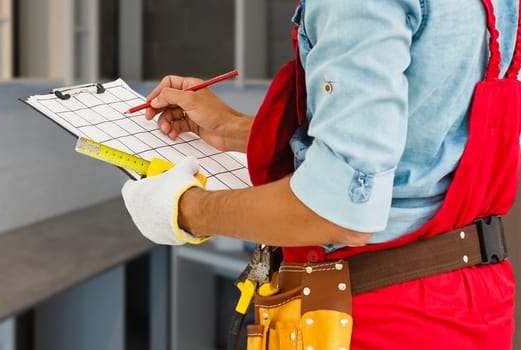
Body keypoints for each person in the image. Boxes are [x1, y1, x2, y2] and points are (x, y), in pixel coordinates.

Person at [121, 0, 521, 349]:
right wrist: (234, 128)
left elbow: (337, 214)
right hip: (469, 302)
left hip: (370, 318)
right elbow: (424, 135)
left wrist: (184, 209)